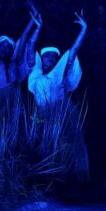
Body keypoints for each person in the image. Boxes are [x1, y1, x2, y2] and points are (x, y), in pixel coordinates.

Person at [26, 10, 88, 180]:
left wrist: (84, 29)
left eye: (54, 57)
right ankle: (43, 179)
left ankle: (66, 179)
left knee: (63, 144)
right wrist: (38, 27)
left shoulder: (59, 73)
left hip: (60, 113)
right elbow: (30, 48)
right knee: (39, 143)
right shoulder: (35, 72)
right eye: (48, 56)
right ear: (43, 57)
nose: (51, 59)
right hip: (41, 112)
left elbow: (74, 50)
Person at [0, 0, 36, 117]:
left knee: (17, 127)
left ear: (11, 50)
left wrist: (34, 17)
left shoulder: (14, 60)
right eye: (2, 45)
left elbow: (24, 37)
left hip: (14, 97)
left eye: (8, 46)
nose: (4, 48)